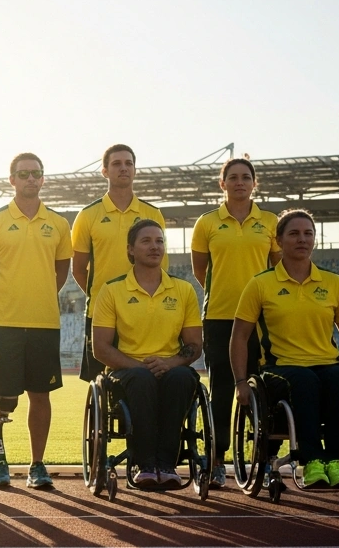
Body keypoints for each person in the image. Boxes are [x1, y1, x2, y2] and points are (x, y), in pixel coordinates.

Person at [231, 210, 339, 489]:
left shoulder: (333, 283)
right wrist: (239, 382)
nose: (302, 239)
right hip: (280, 367)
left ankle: (337, 461)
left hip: (326, 363)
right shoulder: (260, 283)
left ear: (315, 241)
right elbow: (239, 336)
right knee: (305, 381)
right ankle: (312, 461)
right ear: (279, 240)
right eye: (294, 233)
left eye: (308, 233)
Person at [0, 152, 72, 490]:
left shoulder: (58, 224)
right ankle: (0, 463)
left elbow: (61, 273)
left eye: (36, 173)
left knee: (40, 395)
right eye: (23, 173)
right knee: (5, 399)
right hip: (4, 324)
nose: (30, 179)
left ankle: (37, 464)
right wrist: (3, 304)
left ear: (43, 179)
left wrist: (38, 297)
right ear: (11, 179)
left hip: (45, 324)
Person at [91, 220, 203, 488]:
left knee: (181, 379)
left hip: (172, 368)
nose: (155, 246)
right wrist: (138, 366)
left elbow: (194, 345)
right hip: (127, 372)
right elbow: (101, 347)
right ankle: (145, 464)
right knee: (142, 380)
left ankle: (166, 464)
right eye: (146, 241)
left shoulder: (183, 290)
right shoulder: (112, 290)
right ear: (130, 249)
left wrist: (169, 363)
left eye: (159, 241)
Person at [193, 158, 280, 487]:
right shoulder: (207, 222)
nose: (239, 182)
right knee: (222, 390)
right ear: (222, 183)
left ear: (254, 183)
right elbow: (202, 271)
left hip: (262, 320)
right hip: (219, 317)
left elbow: (278, 269)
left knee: (267, 388)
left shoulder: (270, 222)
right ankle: (216, 461)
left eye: (246, 177)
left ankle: (267, 460)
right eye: (233, 177)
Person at [71, 144, 167, 382]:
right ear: (105, 171)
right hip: (101, 315)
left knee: (147, 380)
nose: (123, 168)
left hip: (144, 313)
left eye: (128, 163)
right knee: (99, 383)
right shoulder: (87, 215)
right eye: (116, 164)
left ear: (135, 170)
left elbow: (160, 264)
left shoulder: (152, 213)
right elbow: (78, 269)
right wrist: (105, 299)